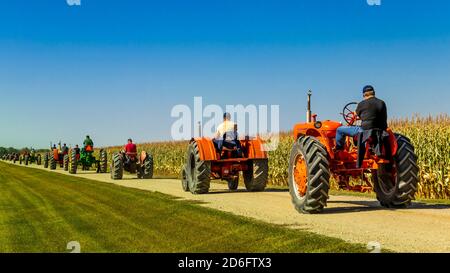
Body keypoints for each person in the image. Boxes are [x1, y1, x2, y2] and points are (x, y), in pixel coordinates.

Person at [335, 85, 388, 150]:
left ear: (364, 95)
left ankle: (339, 150)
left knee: (339, 130)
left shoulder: (362, 104)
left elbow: (355, 114)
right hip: (381, 131)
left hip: (365, 130)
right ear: (374, 93)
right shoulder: (382, 103)